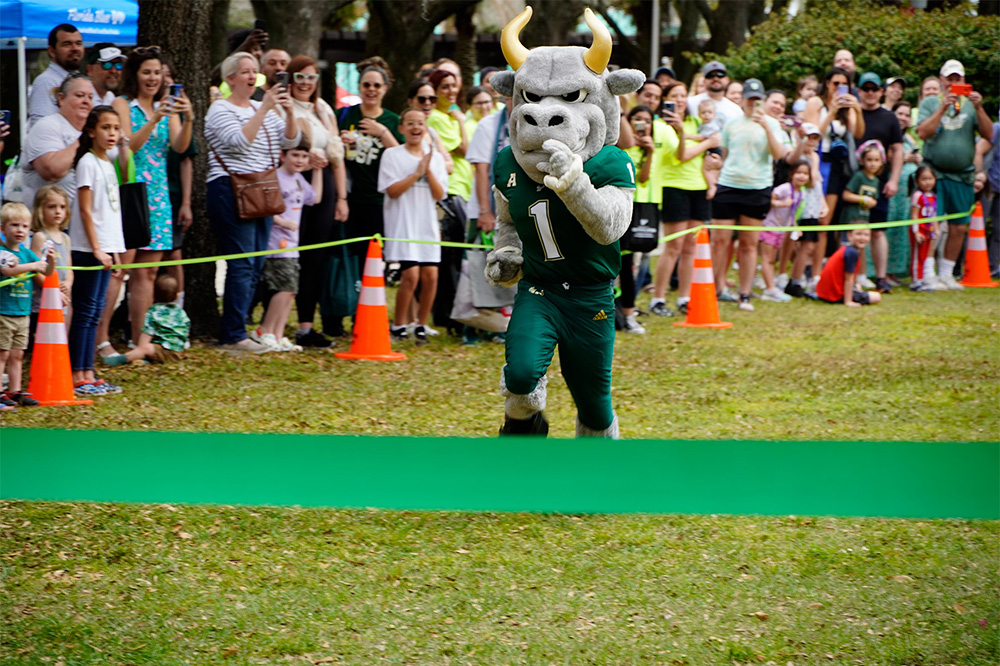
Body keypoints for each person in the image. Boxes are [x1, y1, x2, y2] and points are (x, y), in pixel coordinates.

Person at [206, 51, 300, 353]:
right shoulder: (220, 109)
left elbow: (290, 142)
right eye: (244, 71)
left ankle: (240, 328)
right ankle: (233, 334)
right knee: (243, 262)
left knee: (257, 262)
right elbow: (238, 141)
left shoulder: (266, 107)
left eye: (254, 71)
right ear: (230, 79)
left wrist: (288, 112)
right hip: (231, 188)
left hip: (263, 188)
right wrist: (264, 110)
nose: (251, 76)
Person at [111, 46, 193, 349]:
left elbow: (179, 147)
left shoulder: (165, 106)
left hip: (159, 196)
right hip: (132, 191)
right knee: (120, 272)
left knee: (148, 272)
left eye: (157, 72)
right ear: (135, 74)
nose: (153, 78)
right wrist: (154, 118)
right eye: (147, 72)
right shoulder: (123, 104)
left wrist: (189, 119)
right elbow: (128, 146)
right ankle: (100, 339)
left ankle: (138, 341)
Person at [710, 78, 803, 312]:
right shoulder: (731, 123)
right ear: (742, 100)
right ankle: (716, 287)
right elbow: (726, 153)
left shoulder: (772, 124)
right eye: (749, 99)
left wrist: (766, 126)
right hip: (729, 185)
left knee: (749, 245)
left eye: (757, 100)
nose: (753, 104)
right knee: (721, 241)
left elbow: (779, 153)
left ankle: (745, 293)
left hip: (757, 187)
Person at [280, 55, 348, 346]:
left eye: (311, 78)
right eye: (300, 77)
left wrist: (342, 197)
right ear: (290, 80)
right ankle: (277, 323)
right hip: (293, 184)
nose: (306, 83)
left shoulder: (324, 109)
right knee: (288, 253)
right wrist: (307, 159)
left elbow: (336, 156)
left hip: (326, 185)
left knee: (315, 257)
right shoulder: (284, 108)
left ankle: (307, 325)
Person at [916, 59, 993, 290]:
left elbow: (989, 135)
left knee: (959, 226)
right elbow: (922, 132)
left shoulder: (971, 105)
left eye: (957, 79)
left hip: (963, 175)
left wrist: (979, 108)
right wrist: (942, 107)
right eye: (949, 79)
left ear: (964, 81)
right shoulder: (930, 102)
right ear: (941, 81)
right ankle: (928, 274)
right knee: (931, 225)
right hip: (935, 173)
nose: (953, 83)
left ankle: (948, 273)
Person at [69, 106, 128, 396]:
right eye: (106, 128)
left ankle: (88, 372)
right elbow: (85, 210)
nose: (112, 134)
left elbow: (111, 214)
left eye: (115, 128)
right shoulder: (88, 162)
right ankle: (78, 375)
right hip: (88, 249)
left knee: (95, 313)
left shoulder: (108, 163)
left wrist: (115, 251)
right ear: (91, 131)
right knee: (86, 312)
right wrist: (97, 249)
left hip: (105, 249)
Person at [378, 107, 448, 345]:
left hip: (426, 225)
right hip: (402, 224)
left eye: (420, 123)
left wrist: (427, 169)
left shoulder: (435, 158)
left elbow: (439, 195)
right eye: (410, 123)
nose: (415, 127)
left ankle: (420, 324)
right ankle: (398, 325)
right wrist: (416, 171)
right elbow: (392, 191)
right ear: (401, 128)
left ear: (426, 128)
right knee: (410, 275)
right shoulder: (392, 155)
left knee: (431, 275)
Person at [652, 81, 721, 316]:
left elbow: (716, 145)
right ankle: (658, 299)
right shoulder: (661, 125)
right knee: (673, 247)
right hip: (674, 187)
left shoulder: (696, 121)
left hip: (699, 187)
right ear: (665, 99)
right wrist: (707, 144)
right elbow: (681, 156)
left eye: (683, 96)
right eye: (674, 96)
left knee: (691, 246)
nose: (680, 100)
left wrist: (715, 156)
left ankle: (684, 297)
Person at [253, 138, 321, 351]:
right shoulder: (275, 177)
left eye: (303, 156)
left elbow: (315, 198)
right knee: (284, 288)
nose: (299, 160)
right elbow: (263, 206)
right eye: (295, 155)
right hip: (277, 242)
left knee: (290, 290)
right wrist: (282, 222)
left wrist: (317, 170)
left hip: (293, 243)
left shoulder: (300, 179)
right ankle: (264, 330)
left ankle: (278, 334)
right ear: (283, 156)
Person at [340, 61, 401, 282]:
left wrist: (383, 133)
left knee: (375, 257)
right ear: (359, 86)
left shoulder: (392, 121)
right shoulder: (344, 115)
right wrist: (339, 142)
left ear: (385, 88)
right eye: (366, 84)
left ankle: (371, 298)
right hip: (349, 198)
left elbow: (404, 159)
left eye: (377, 85)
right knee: (349, 254)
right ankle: (350, 297)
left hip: (380, 201)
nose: (371, 89)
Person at [803, 68, 865, 280]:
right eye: (835, 83)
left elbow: (858, 133)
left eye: (843, 84)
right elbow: (811, 134)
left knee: (824, 221)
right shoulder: (815, 103)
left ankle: (816, 274)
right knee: (804, 219)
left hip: (835, 165)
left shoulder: (845, 108)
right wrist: (830, 113)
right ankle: (797, 268)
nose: (838, 88)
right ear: (827, 83)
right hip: (815, 161)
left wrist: (856, 108)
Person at [0, 202, 56, 407]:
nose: (20, 230)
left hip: (22, 313)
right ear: (3, 229)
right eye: (14, 225)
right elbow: (7, 271)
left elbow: (47, 273)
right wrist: (34, 265)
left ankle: (15, 392)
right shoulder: (3, 252)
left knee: (17, 354)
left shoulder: (27, 253)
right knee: (2, 353)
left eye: (24, 226)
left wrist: (50, 261)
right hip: (4, 311)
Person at [856, 72, 903, 294]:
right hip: (854, 181)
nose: (870, 93)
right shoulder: (852, 113)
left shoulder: (889, 117)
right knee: (851, 228)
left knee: (877, 231)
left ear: (881, 92)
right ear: (859, 91)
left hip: (880, 182)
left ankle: (881, 277)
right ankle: (854, 275)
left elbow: (898, 149)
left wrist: (893, 180)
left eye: (874, 89)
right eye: (866, 89)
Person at [20, 73, 94, 213]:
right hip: (47, 230)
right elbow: (51, 171)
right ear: (61, 99)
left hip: (85, 226)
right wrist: (82, 140)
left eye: (90, 97)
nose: (86, 101)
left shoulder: (93, 132)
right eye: (79, 95)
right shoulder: (47, 126)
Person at [620, 104, 659, 333]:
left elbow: (643, 179)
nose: (642, 124)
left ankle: (629, 313)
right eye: (637, 119)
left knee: (628, 263)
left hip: (639, 208)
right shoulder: (621, 143)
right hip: (616, 204)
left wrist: (651, 152)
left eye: (647, 120)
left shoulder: (647, 148)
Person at [101, 275, 190, 366]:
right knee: (152, 348)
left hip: (164, 350)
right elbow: (186, 331)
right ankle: (150, 360)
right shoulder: (181, 312)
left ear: (153, 294)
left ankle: (119, 360)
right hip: (177, 352)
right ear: (177, 296)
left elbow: (147, 333)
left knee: (145, 348)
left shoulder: (154, 312)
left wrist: (140, 349)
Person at [784, 123, 828, 297]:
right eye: (809, 137)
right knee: (802, 244)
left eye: (815, 138)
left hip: (813, 206)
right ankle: (794, 280)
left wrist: (822, 203)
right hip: (801, 205)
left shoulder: (815, 157)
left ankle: (797, 278)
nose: (812, 142)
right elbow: (808, 181)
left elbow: (816, 183)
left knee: (808, 245)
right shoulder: (799, 157)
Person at [759, 159, 810, 302]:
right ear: (792, 174)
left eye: (805, 173)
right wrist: (781, 203)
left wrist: (795, 226)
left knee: (772, 260)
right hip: (770, 226)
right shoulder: (784, 188)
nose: (802, 176)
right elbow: (769, 200)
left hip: (781, 230)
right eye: (799, 172)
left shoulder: (801, 193)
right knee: (767, 259)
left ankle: (771, 286)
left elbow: (793, 212)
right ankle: (770, 289)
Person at [29, 185, 73, 332]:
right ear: (41, 210)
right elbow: (36, 270)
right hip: (43, 298)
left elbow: (69, 268)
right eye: (51, 207)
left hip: (61, 297)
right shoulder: (40, 237)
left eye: (62, 207)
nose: (58, 211)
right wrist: (54, 291)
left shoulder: (66, 238)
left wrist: (68, 283)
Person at [427, 69, 473, 205]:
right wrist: (460, 121)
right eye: (445, 87)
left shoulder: (451, 116)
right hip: (453, 187)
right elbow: (465, 151)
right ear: (435, 91)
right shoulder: (436, 118)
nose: (451, 90)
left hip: (465, 187)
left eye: (453, 85)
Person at [28, 24, 84, 127]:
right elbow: (41, 128)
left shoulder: (80, 81)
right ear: (52, 51)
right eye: (67, 44)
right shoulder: (45, 82)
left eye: (79, 43)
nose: (75, 48)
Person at [816, 227, 881, 306]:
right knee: (876, 297)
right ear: (849, 236)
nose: (862, 238)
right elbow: (848, 279)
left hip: (824, 293)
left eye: (866, 235)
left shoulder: (847, 249)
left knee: (858, 286)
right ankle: (847, 298)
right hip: (835, 295)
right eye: (858, 234)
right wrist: (848, 301)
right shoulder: (852, 253)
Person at [908, 165, 939, 292]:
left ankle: (922, 277)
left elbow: (933, 214)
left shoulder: (933, 196)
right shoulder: (917, 195)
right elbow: (914, 215)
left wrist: (935, 228)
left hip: (928, 231)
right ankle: (916, 281)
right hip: (919, 230)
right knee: (917, 256)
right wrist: (916, 231)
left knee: (924, 256)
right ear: (917, 181)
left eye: (930, 179)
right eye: (924, 179)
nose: (927, 182)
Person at [841, 140, 884, 230]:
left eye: (876, 160)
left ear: (881, 162)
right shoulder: (859, 176)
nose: (873, 164)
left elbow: (874, 199)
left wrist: (873, 203)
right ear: (862, 161)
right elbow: (846, 195)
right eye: (869, 160)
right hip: (850, 220)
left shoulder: (876, 181)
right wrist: (863, 199)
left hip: (864, 220)